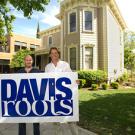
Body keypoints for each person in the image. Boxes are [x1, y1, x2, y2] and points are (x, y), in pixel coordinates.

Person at [45, 47, 78, 135]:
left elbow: (71, 77)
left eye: (56, 53)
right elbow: (45, 81)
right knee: (56, 121)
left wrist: (76, 81)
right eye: (52, 53)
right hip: (54, 96)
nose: (54, 54)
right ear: (50, 55)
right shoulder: (47, 67)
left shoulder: (65, 64)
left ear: (58, 54)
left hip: (66, 96)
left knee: (71, 119)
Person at [17, 55, 43, 135]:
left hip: (35, 99)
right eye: (27, 60)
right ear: (24, 61)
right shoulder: (19, 72)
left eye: (30, 60)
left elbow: (51, 78)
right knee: (21, 121)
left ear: (32, 61)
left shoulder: (38, 71)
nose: (29, 61)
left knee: (35, 121)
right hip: (23, 100)